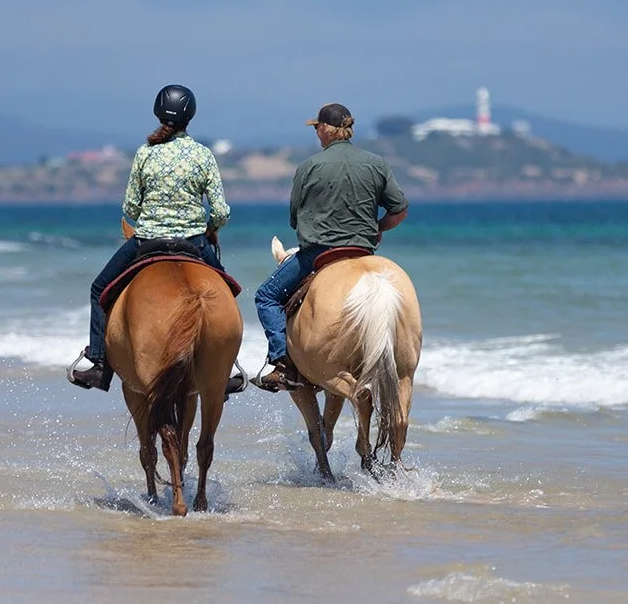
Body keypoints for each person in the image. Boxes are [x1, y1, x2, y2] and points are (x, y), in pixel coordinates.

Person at [68, 84, 232, 391]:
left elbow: (130, 207)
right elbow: (221, 211)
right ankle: (226, 365)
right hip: (194, 243)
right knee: (226, 294)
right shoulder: (203, 154)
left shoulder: (145, 152)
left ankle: (100, 365)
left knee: (99, 289)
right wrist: (209, 226)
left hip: (147, 241)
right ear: (190, 117)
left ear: (158, 112)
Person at [253, 102, 409, 391]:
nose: (317, 133)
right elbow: (399, 211)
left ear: (325, 128)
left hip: (317, 256)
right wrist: (377, 228)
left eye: (317, 128)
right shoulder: (376, 163)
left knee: (266, 296)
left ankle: (281, 364)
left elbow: (294, 219)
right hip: (364, 252)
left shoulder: (309, 167)